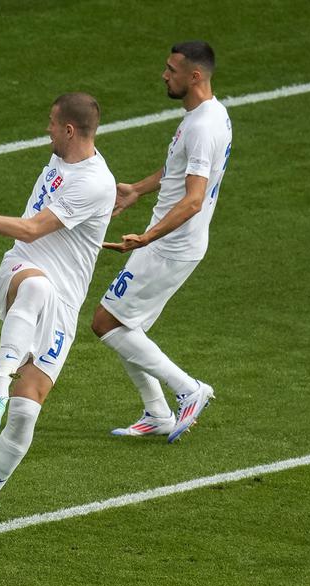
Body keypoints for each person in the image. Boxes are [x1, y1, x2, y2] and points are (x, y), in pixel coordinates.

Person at [0, 93, 116, 533]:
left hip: (66, 304)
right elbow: (35, 237)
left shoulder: (93, 181)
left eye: (52, 124)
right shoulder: (72, 164)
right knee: (34, 286)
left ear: (70, 130)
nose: (47, 131)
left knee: (26, 416)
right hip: (21, 267)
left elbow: (35, 225)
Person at [91, 41, 230, 443]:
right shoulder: (209, 115)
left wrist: (147, 237)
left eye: (171, 69)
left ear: (195, 76)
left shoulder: (203, 126)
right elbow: (177, 170)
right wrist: (137, 188)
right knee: (126, 329)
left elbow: (193, 199)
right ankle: (158, 413)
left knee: (106, 323)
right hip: (167, 243)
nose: (164, 75)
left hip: (170, 246)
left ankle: (189, 390)